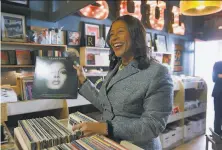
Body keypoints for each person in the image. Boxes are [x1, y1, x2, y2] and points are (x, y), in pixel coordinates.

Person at [73, 15, 173, 150]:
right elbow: (106, 104)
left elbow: (153, 125)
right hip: (109, 143)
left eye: (120, 32)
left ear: (135, 36)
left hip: (135, 146)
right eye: (111, 34)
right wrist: (83, 80)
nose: (113, 38)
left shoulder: (157, 72)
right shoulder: (116, 68)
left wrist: (106, 128)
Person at [212, 61, 222, 135]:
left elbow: (219, 76)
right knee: (218, 114)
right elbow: (215, 78)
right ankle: (217, 134)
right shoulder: (218, 64)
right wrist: (219, 76)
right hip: (219, 93)